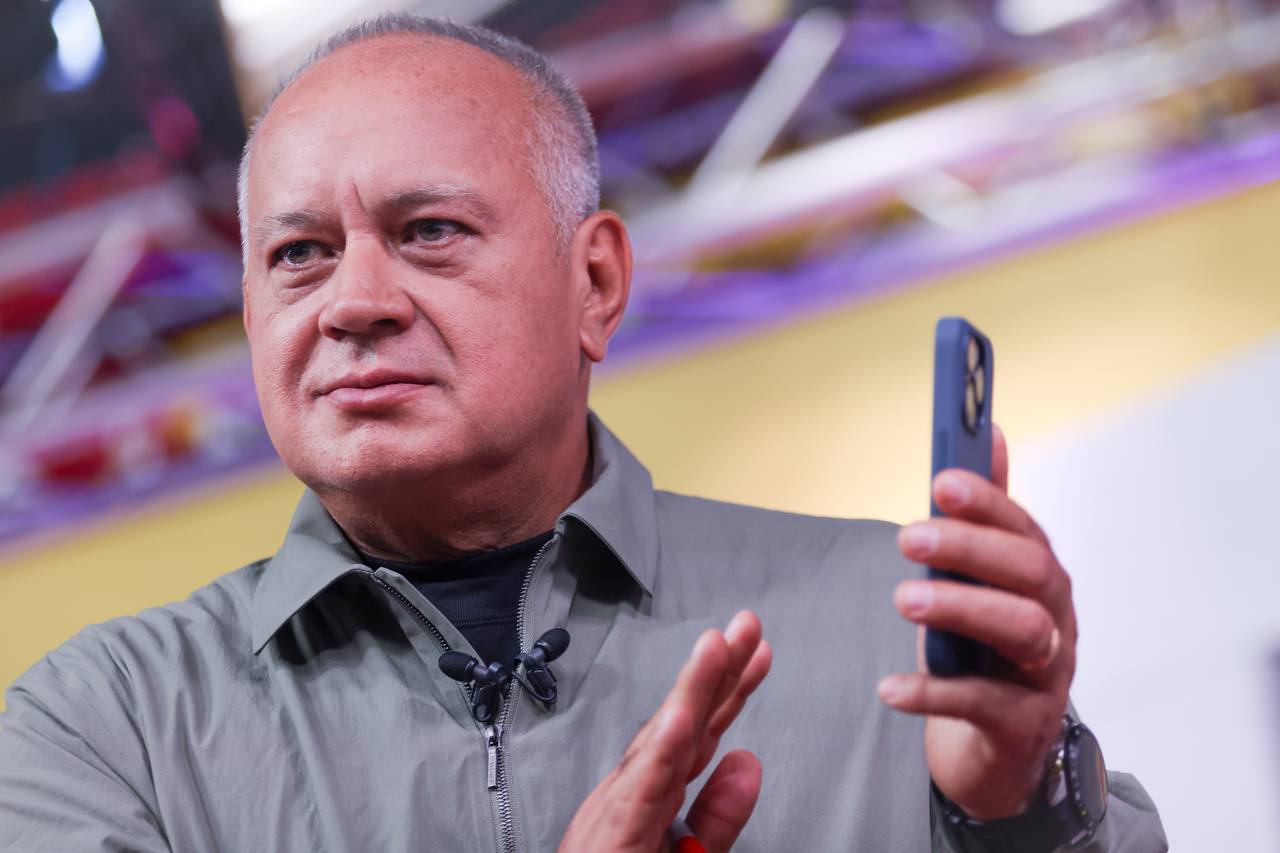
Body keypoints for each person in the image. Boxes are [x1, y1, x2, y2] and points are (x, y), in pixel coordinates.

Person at [0, 14, 1166, 853]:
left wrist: (1018, 812)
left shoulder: (893, 622)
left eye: (429, 231)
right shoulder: (109, 728)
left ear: (595, 281)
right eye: (299, 253)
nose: (354, 301)